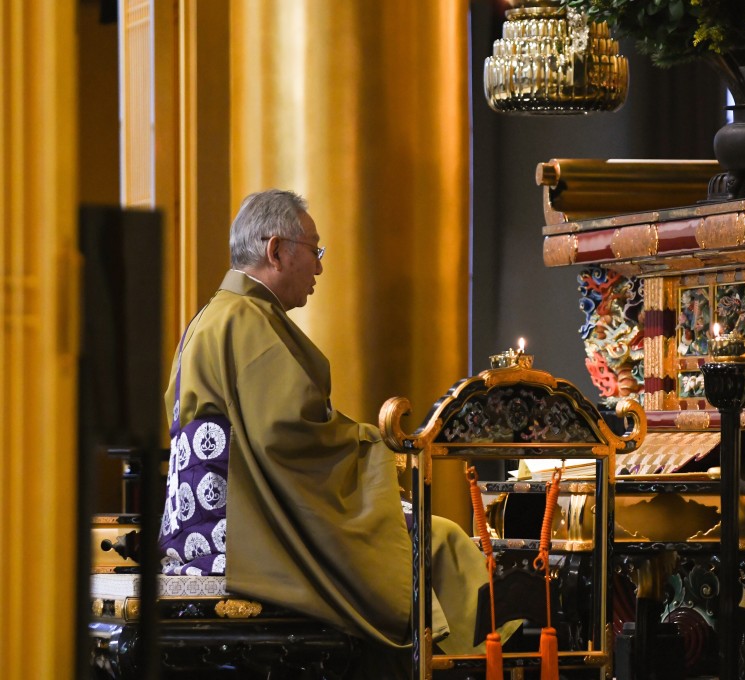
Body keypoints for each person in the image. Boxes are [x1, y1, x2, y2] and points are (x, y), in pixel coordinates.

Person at [157, 189, 507, 675]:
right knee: (438, 538)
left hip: (210, 526)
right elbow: (290, 436)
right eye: (314, 251)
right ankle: (470, 662)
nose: (319, 268)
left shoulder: (217, 314)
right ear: (276, 250)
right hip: (248, 537)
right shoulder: (246, 321)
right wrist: (377, 445)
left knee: (423, 529)